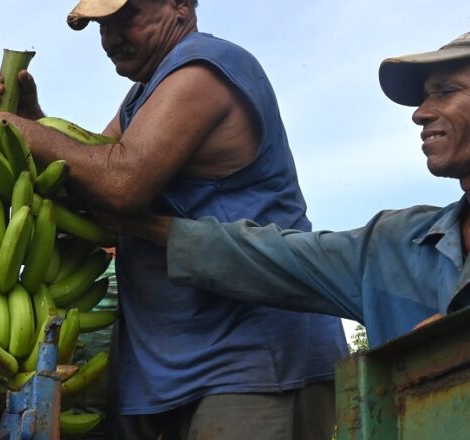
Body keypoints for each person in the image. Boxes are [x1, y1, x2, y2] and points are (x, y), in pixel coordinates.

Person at [0, 0, 348, 438]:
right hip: (170, 367)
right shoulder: (143, 93)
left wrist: (25, 132)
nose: (111, 38)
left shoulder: (205, 67)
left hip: (251, 360)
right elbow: (87, 177)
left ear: (180, 5)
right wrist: (33, 121)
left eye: (126, 18)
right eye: (102, 26)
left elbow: (120, 183)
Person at [104, 31, 470, 349]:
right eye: (425, 96)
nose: (420, 112)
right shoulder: (397, 245)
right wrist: (140, 224)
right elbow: (274, 258)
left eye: (446, 91)